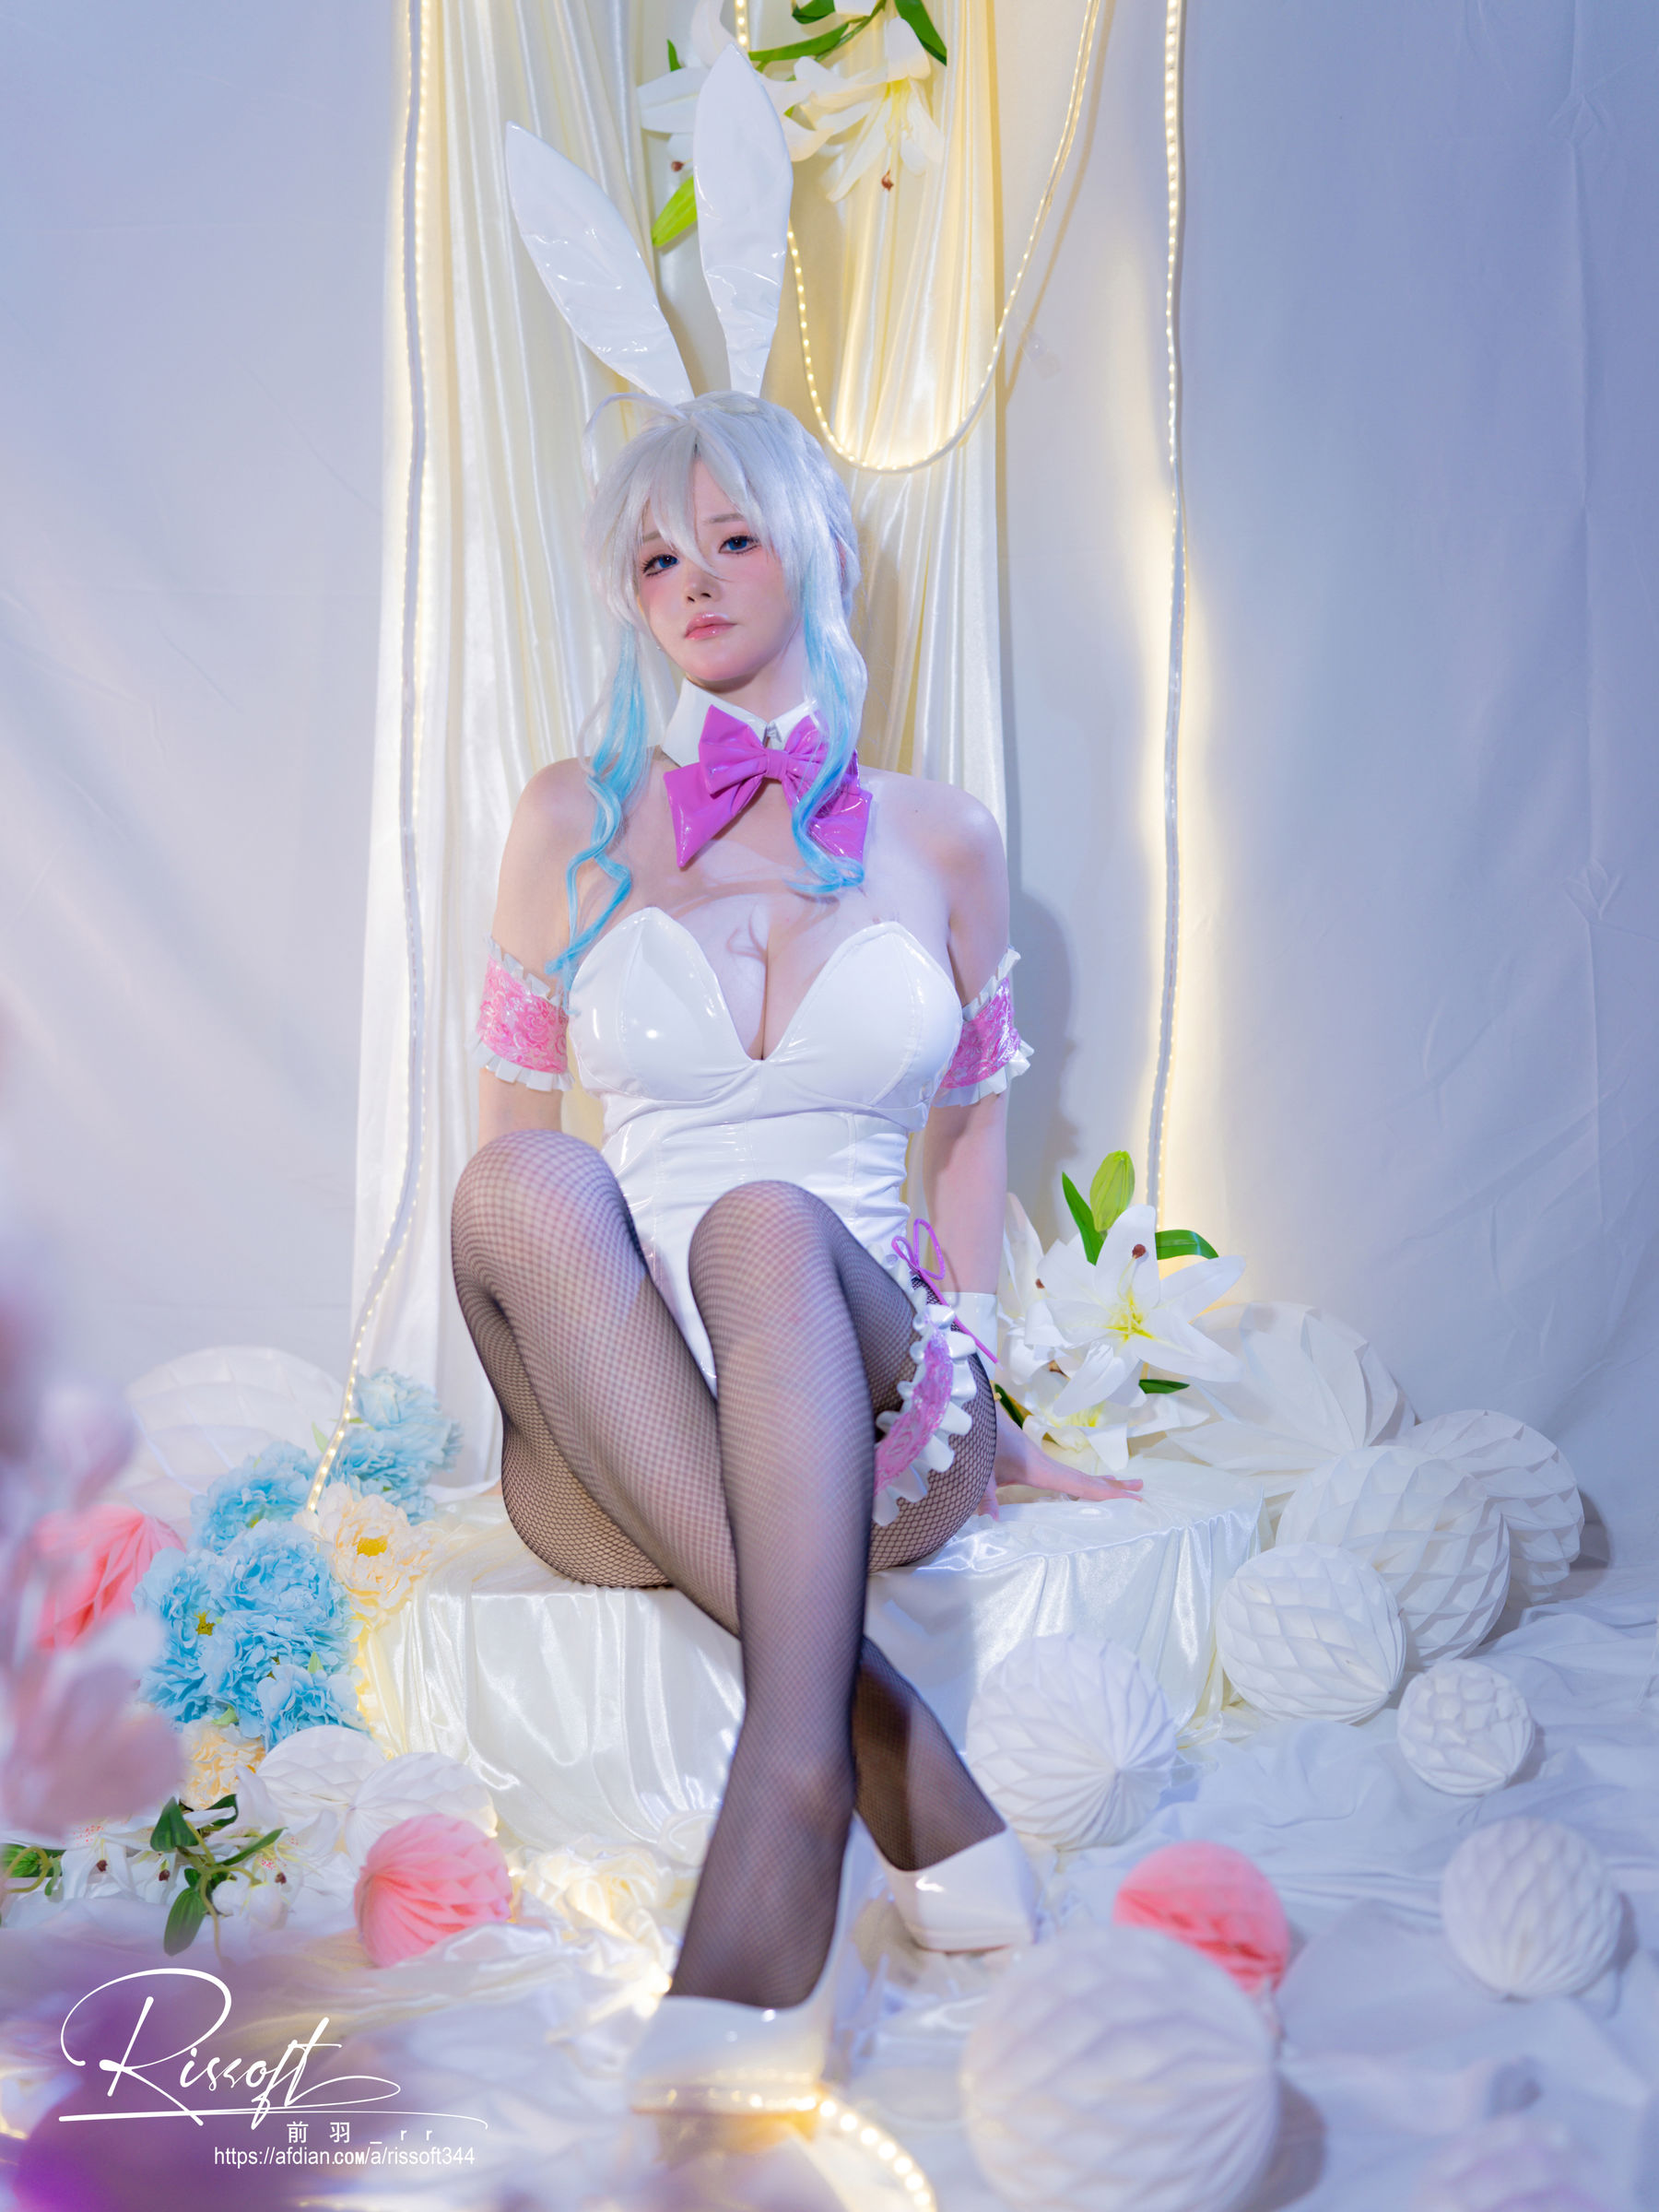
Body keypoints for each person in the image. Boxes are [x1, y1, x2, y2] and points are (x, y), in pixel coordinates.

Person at [451, 390, 1137, 2115]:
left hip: (873, 1401)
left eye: (733, 537)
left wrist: (991, 1395)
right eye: (654, 559)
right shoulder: (566, 820)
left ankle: (791, 1803)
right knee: (518, 1188)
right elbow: (514, 1136)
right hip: (626, 1439)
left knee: (769, 1227)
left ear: (818, 550)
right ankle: (907, 1770)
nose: (691, 580)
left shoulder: (941, 834)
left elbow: (969, 1134)